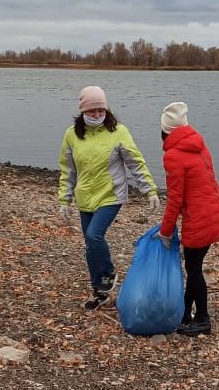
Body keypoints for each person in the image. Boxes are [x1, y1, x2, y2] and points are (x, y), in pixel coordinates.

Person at [57, 85, 159, 310]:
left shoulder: (118, 132)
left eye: (101, 110)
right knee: (90, 246)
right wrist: (65, 200)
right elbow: (67, 170)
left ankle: (109, 272)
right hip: (85, 197)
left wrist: (149, 190)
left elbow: (135, 162)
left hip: (111, 195)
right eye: (92, 111)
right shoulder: (71, 135)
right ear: (83, 111)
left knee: (94, 236)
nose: (97, 115)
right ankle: (100, 292)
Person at [157, 102, 219, 337]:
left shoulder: (173, 156)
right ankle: (186, 313)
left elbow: (175, 200)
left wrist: (165, 232)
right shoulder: (198, 145)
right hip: (215, 213)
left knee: (194, 269)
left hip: (200, 218)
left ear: (165, 129)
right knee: (193, 265)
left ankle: (203, 319)